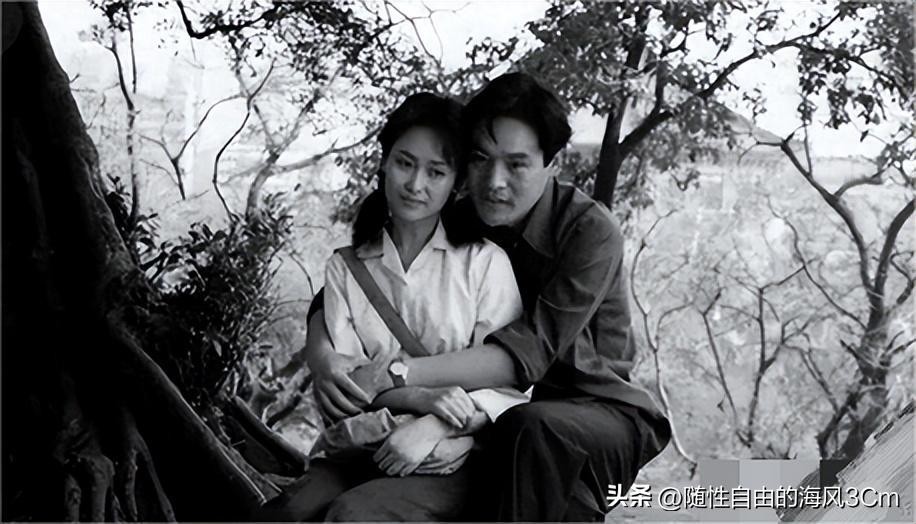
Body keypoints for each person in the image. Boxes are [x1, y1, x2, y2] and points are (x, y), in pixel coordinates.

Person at [310, 73, 672, 522]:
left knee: (536, 435)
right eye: (481, 159)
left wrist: (395, 375)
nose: (494, 181)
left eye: (516, 165)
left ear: (553, 163)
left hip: (594, 413)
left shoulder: (588, 231)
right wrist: (323, 357)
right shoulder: (467, 217)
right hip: (493, 413)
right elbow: (357, 281)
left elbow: (524, 357)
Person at [255, 92, 526, 521]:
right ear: (384, 163)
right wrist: (422, 396)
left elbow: (508, 386)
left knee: (351, 517)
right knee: (289, 512)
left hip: (452, 454)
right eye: (404, 163)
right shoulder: (347, 267)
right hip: (362, 443)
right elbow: (351, 385)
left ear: (456, 183)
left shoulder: (483, 263)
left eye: (435, 172)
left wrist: (436, 423)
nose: (415, 185)